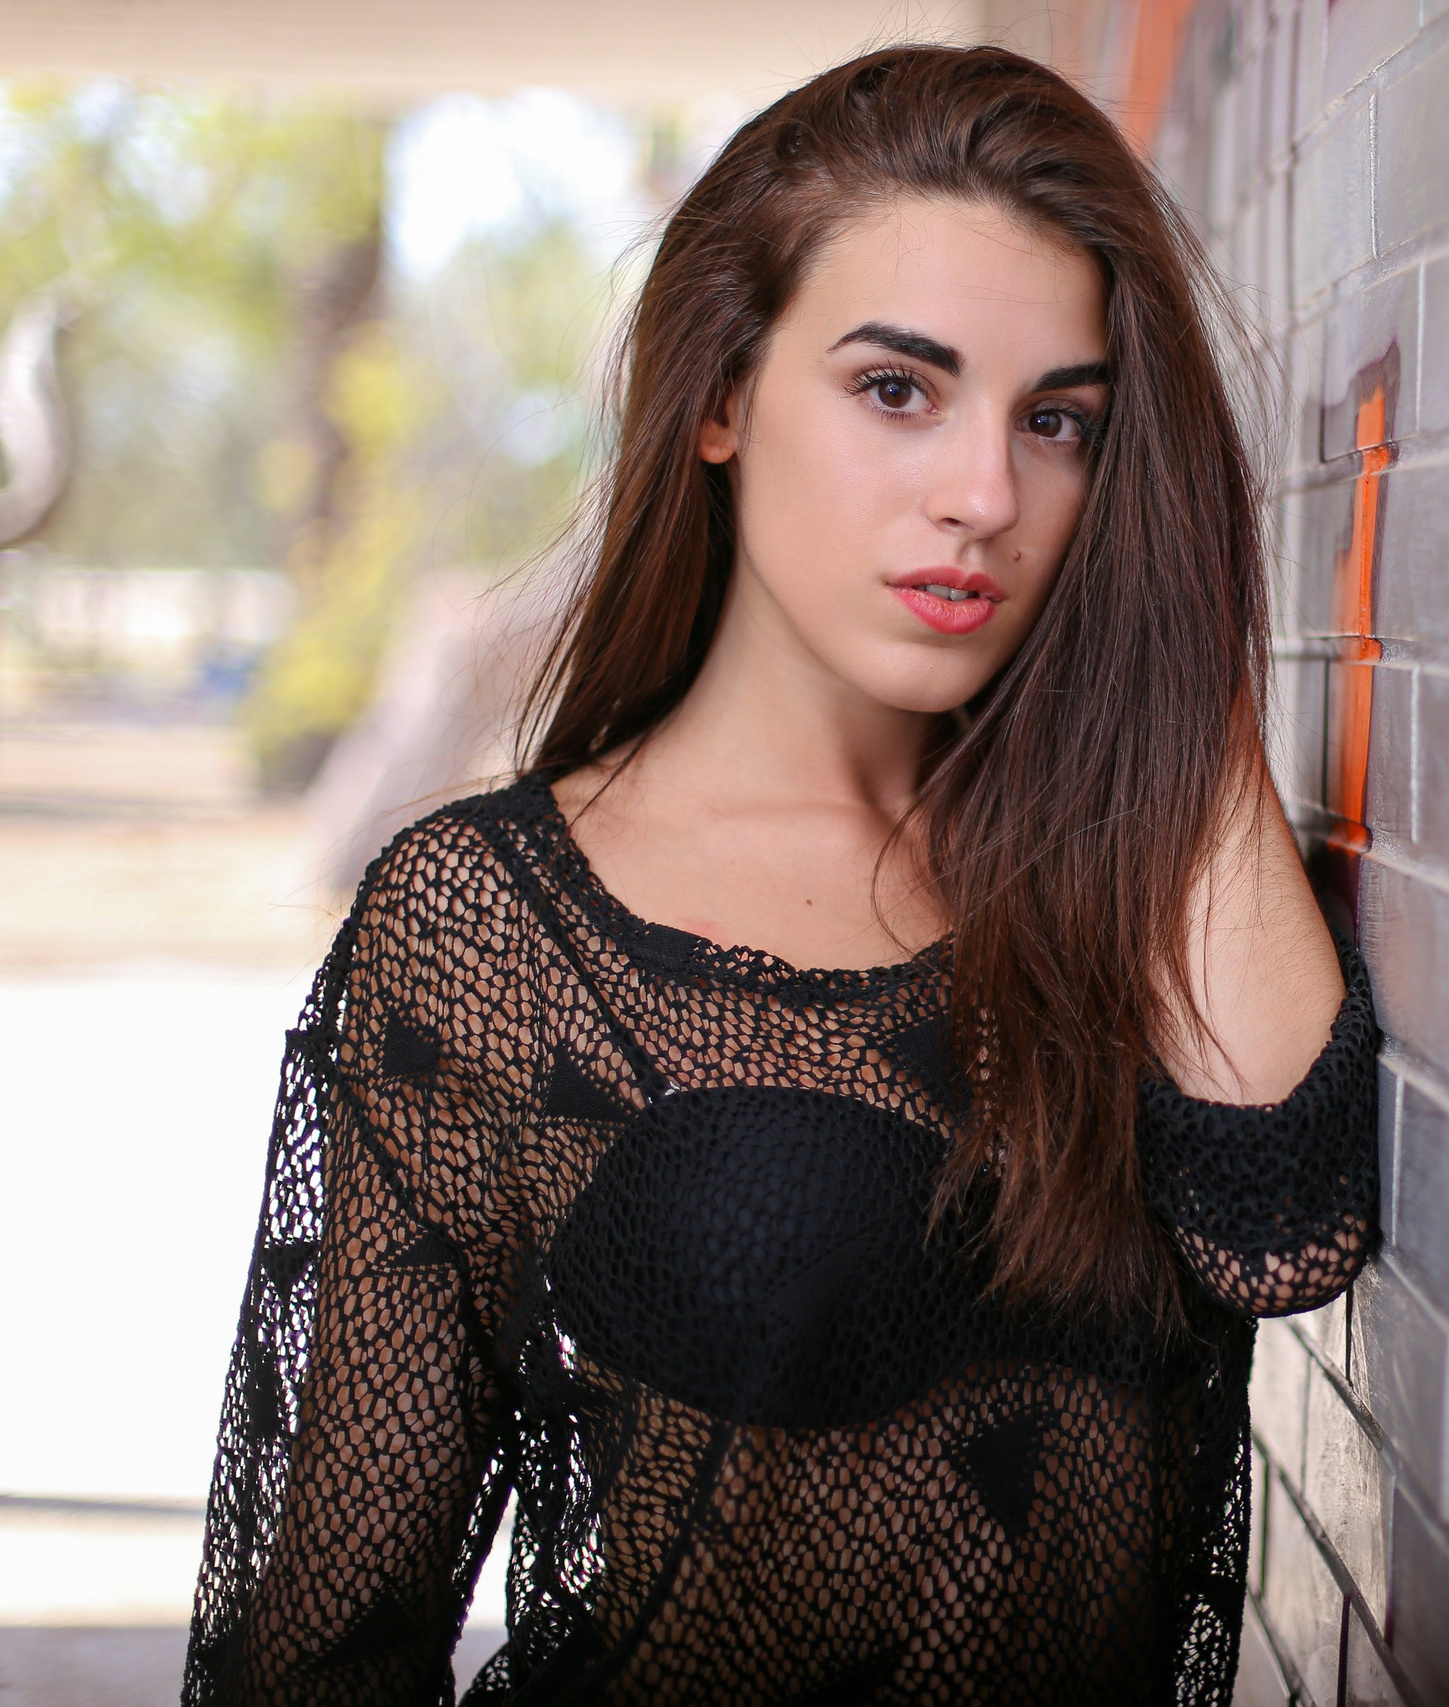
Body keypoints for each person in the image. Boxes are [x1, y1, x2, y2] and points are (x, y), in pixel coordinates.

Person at [185, 45, 1377, 1706]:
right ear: (723, 397)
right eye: (899, 390)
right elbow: (323, 1646)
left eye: (1059, 425)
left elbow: (1284, 1226)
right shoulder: (484, 927)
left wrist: (1170, 620)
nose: (986, 497)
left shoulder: (1114, 862)